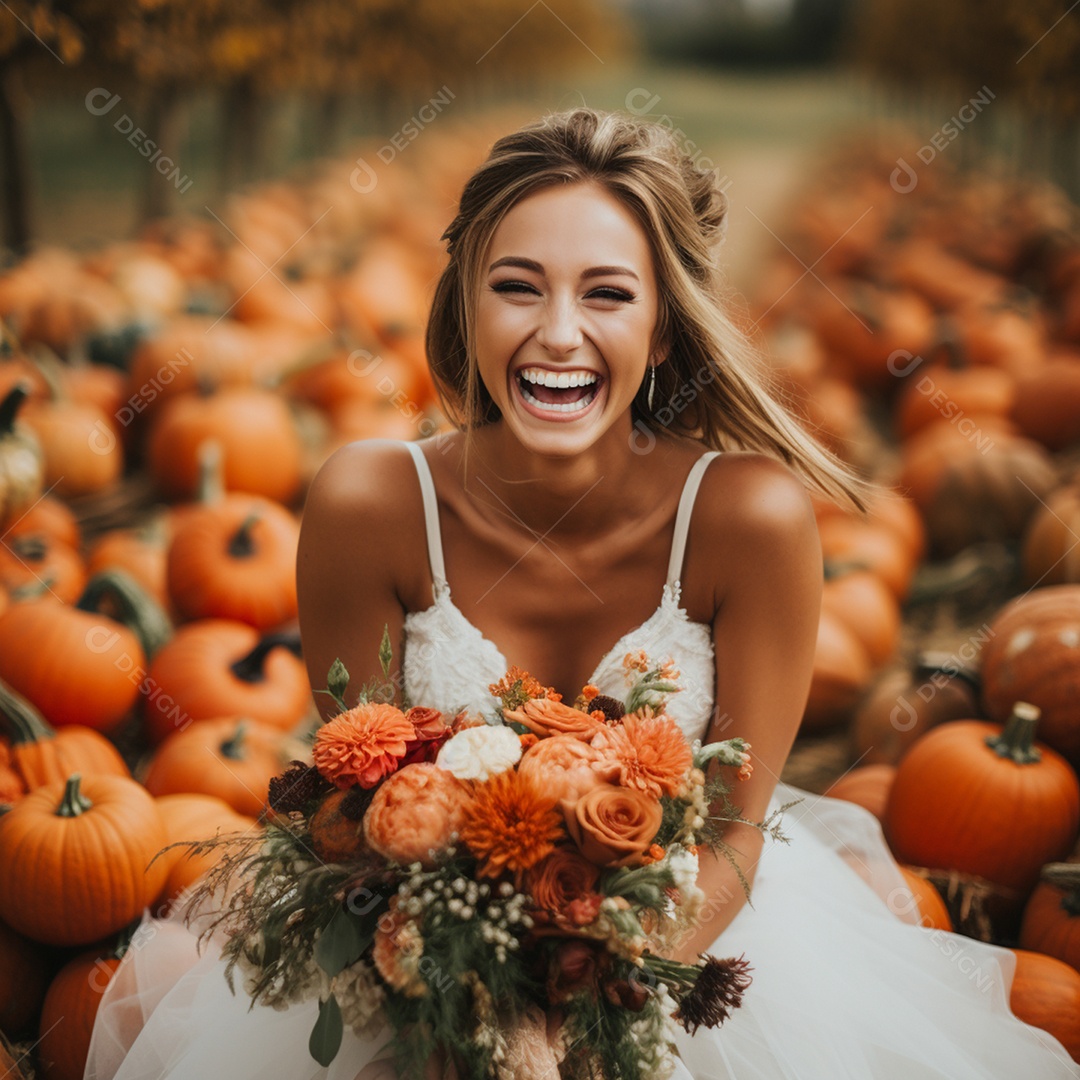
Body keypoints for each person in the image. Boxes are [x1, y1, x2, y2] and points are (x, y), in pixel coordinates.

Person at [85, 108, 1079, 1080]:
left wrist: (604, 995)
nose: (558, 334)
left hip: (692, 951)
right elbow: (369, 806)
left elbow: (733, 831)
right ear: (467, 308)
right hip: (431, 957)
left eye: (607, 295)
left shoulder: (750, 522)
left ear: (661, 330)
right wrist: (477, 1008)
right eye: (517, 288)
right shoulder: (371, 502)